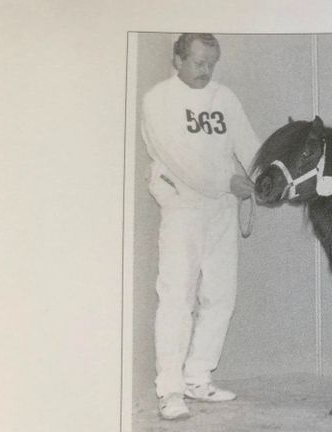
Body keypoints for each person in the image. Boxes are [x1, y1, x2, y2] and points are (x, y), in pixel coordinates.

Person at [140, 33, 259, 420]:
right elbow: (179, 159)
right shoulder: (159, 99)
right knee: (177, 296)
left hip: (221, 210)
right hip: (182, 207)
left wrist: (266, 176)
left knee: (221, 294)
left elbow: (249, 145)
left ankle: (197, 376)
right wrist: (227, 182)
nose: (206, 70)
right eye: (198, 62)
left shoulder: (223, 97)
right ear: (177, 60)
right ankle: (170, 390)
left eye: (211, 63)